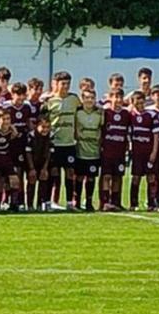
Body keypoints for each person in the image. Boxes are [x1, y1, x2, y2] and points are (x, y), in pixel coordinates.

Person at [41, 71, 82, 210]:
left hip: (69, 143)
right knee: (53, 173)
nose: (66, 86)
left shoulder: (74, 99)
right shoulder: (48, 101)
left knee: (70, 172)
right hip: (54, 143)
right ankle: (47, 202)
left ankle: (70, 202)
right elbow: (43, 120)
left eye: (68, 83)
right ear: (55, 84)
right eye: (63, 83)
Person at [128, 90, 159, 211]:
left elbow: (156, 135)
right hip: (136, 153)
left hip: (148, 151)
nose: (140, 105)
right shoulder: (130, 116)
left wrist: (154, 152)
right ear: (132, 102)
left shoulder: (151, 116)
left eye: (142, 102)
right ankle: (133, 203)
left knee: (151, 177)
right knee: (136, 177)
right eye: (137, 103)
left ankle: (151, 203)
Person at [100, 89, 131, 211]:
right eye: (115, 97)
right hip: (107, 151)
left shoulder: (126, 114)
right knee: (106, 176)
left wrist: (128, 145)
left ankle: (116, 202)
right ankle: (105, 202)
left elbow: (129, 131)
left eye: (120, 98)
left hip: (120, 151)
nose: (118, 100)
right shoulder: (105, 113)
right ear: (110, 98)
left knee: (118, 177)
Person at [74, 89, 103, 211]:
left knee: (91, 177)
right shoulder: (78, 113)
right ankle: (77, 201)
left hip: (94, 151)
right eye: (87, 98)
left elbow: (101, 130)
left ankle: (89, 202)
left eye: (92, 98)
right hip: (81, 150)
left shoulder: (99, 114)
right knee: (79, 176)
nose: (89, 100)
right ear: (82, 99)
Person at [0, 110, 21, 211]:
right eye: (4, 119)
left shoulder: (12, 132)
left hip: (6, 159)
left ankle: (13, 205)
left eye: (8, 119)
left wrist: (14, 130)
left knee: (15, 180)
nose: (6, 121)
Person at [25, 117, 53, 211]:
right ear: (37, 126)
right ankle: (29, 205)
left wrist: (45, 168)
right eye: (43, 127)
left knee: (43, 179)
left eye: (47, 127)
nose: (45, 129)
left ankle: (40, 204)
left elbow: (49, 152)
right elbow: (28, 152)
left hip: (43, 161)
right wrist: (31, 168)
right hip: (32, 161)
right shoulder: (31, 136)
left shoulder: (51, 135)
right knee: (32, 180)